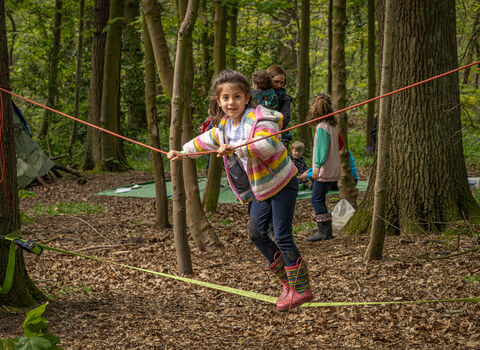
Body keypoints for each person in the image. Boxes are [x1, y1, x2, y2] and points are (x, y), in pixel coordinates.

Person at [167, 69, 313, 311]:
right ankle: (288, 283)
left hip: (282, 183)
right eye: (225, 98)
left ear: (246, 97)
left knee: (282, 235)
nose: (230, 102)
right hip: (260, 188)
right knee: (256, 234)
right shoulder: (224, 127)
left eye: (236, 97)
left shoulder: (261, 118)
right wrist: (182, 152)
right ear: (218, 101)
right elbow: (206, 140)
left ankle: (302, 288)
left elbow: (265, 146)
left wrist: (236, 148)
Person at [304, 93, 340, 242]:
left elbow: (321, 148)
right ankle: (327, 231)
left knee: (316, 199)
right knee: (320, 198)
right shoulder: (332, 126)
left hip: (324, 170)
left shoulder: (321, 127)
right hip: (333, 168)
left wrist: (317, 166)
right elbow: (341, 143)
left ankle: (324, 231)